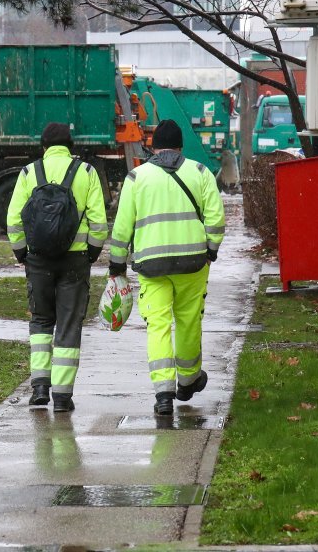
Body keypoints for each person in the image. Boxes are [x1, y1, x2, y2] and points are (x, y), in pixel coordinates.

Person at [109, 119, 225, 416]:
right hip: (193, 264)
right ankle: (187, 382)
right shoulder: (200, 172)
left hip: (152, 267)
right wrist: (210, 250)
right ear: (181, 147)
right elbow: (215, 218)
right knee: (188, 321)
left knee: (158, 326)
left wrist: (117, 263)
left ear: (153, 147)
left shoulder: (137, 177)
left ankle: (163, 394)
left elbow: (122, 227)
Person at [6, 122, 108, 412]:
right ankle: (62, 396)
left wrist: (21, 252)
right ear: (70, 145)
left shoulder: (29, 172)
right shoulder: (86, 172)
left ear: (43, 146)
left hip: (38, 259)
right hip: (75, 260)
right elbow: (99, 222)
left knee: (40, 320)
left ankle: (39, 385)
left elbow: (14, 219)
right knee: (68, 324)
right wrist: (92, 252)